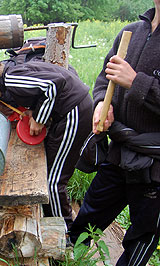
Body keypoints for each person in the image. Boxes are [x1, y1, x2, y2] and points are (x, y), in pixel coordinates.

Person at [69, 1, 160, 265]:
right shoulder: (131, 32)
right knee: (88, 216)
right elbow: (103, 80)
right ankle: (64, 259)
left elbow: (129, 80)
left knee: (142, 235)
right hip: (118, 153)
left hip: (154, 167)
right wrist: (101, 104)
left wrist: (136, 82)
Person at [0, 54, 93, 231]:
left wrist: (39, 118)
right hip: (67, 113)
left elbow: (53, 85)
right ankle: (55, 218)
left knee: (53, 180)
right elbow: (42, 92)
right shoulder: (13, 75)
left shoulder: (12, 80)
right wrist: (34, 111)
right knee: (51, 169)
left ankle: (64, 231)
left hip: (74, 113)